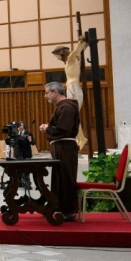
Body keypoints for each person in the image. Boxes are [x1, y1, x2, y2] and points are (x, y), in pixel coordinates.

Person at [40, 82, 80, 222]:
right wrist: (49, 127)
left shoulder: (67, 107)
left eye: (47, 92)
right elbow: (60, 127)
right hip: (61, 147)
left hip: (65, 148)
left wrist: (47, 129)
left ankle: (68, 211)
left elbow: (63, 129)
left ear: (55, 92)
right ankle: (59, 207)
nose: (46, 96)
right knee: (59, 178)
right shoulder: (62, 107)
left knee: (66, 179)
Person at [52, 37, 88, 149]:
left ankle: (81, 139)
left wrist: (81, 42)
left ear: (63, 52)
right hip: (70, 88)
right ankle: (80, 139)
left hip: (74, 88)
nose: (58, 57)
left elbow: (77, 50)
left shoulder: (72, 58)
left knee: (73, 113)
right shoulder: (68, 62)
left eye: (58, 54)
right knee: (73, 114)